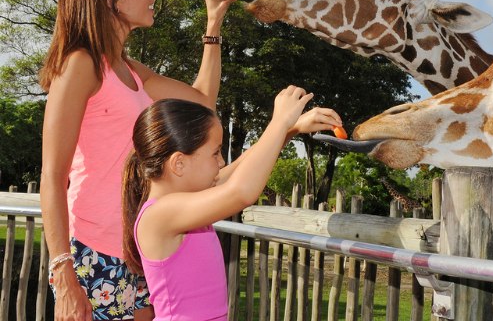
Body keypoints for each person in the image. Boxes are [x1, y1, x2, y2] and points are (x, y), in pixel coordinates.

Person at [38, 0, 241, 320]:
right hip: (95, 253)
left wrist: (212, 27)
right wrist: (63, 271)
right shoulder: (80, 65)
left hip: (139, 248)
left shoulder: (130, 69)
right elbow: (52, 175)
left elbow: (201, 104)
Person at [121, 88, 335, 320]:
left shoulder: (188, 200)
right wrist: (279, 123)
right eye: (215, 153)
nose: (222, 161)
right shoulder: (159, 215)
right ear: (179, 164)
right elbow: (241, 192)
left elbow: (243, 167)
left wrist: (290, 129)